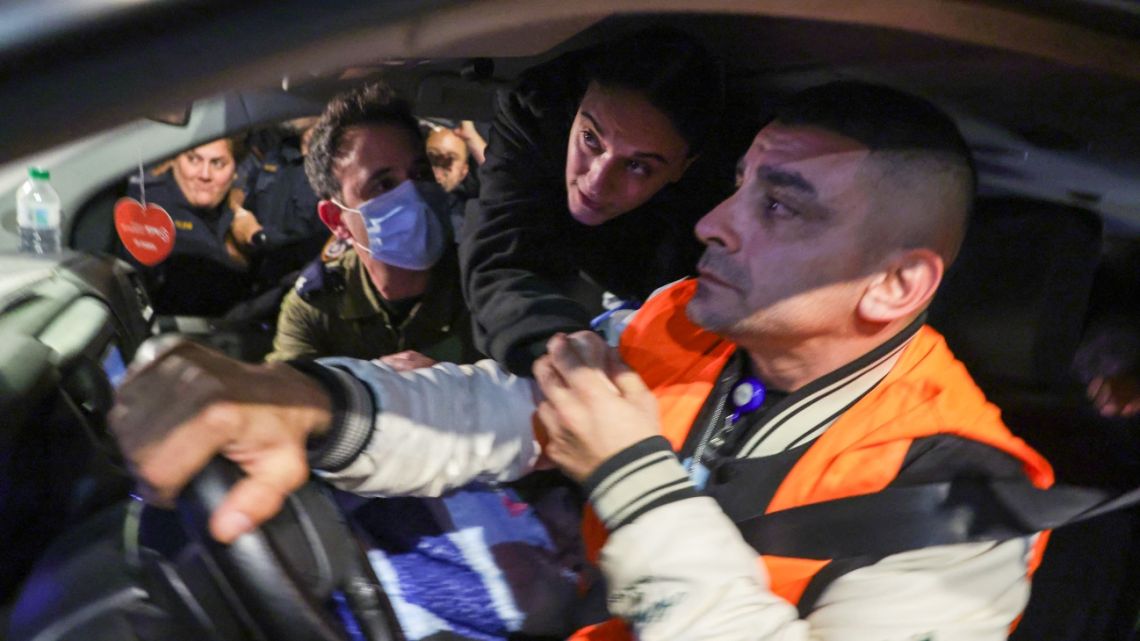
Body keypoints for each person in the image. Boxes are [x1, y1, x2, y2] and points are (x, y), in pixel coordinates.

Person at [110, 82, 1056, 640]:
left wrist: (632, 479)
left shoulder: (965, 498)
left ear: (894, 286)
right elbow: (506, 410)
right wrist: (311, 401)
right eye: (737, 189)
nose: (711, 224)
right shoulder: (691, 323)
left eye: (783, 205)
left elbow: (613, 456)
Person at [460, 28, 733, 375]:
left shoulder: (717, 193)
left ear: (684, 166)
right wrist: (567, 360)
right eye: (590, 138)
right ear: (576, 109)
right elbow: (499, 254)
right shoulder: (536, 113)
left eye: (637, 166)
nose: (596, 182)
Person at [263, 84, 482, 367]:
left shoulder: (480, 285)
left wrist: (445, 384)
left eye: (420, 174)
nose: (414, 195)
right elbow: (288, 399)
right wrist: (370, 383)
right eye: (384, 184)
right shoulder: (316, 307)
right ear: (335, 219)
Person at [118, 137, 254, 316]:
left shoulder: (239, 208)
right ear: (173, 160)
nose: (205, 175)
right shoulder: (148, 207)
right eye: (193, 160)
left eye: (218, 163)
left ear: (235, 170)